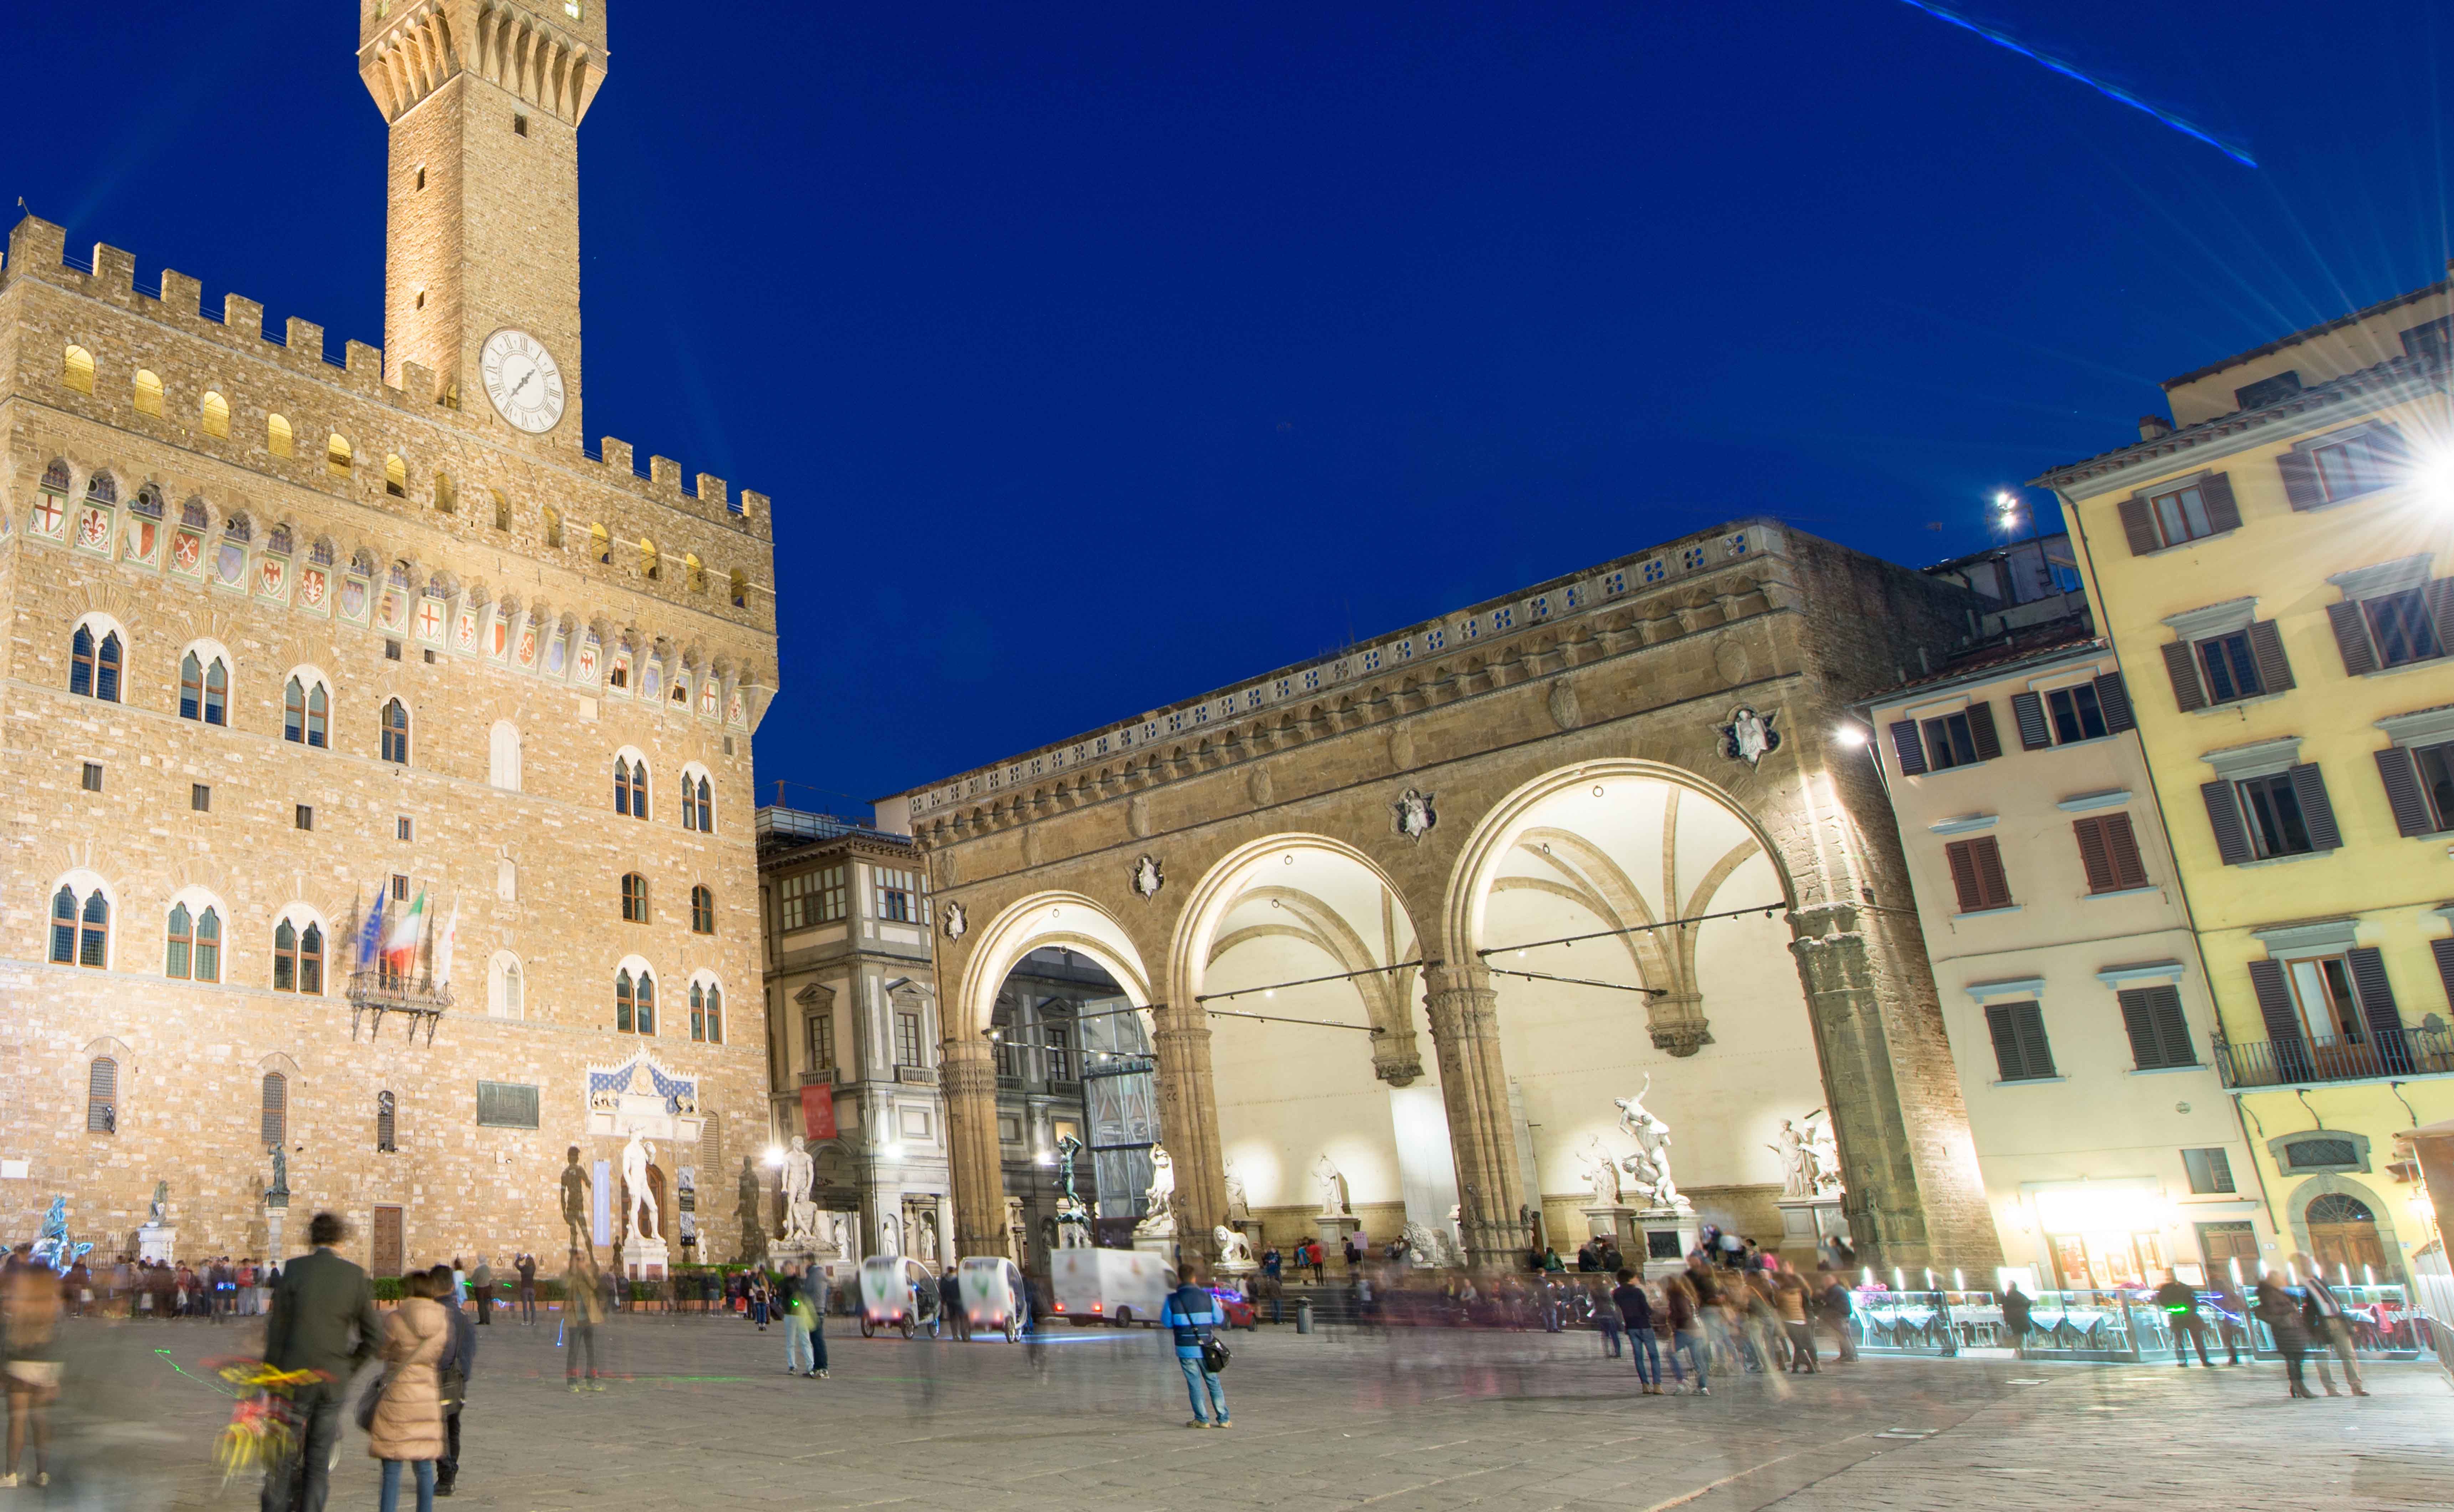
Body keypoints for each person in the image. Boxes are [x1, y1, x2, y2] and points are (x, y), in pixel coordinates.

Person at [261, 1212, 382, 1512]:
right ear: (340, 1238)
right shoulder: (354, 1276)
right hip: (331, 1380)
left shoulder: (295, 1269)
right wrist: (347, 1368)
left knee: (283, 1457)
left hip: (292, 1380)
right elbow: (374, 1336)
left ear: (312, 1238)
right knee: (317, 1460)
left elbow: (277, 1331)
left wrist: (272, 1377)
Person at [368, 1267, 450, 1512]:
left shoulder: (396, 1319)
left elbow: (381, 1351)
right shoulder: (441, 1322)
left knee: (392, 1467)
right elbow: (439, 1353)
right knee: (424, 1466)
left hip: (398, 1397)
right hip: (426, 1396)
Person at [2, 1260, 63, 1490]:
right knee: (41, 1421)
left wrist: (4, 1368)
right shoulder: (52, 1304)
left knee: (17, 1421)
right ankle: (43, 1474)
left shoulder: (20, 1300)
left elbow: (8, 1336)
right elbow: (59, 1339)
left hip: (20, 1365)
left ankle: (11, 1475)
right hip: (46, 1366)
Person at [424, 1264, 475, 1499]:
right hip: (458, 1381)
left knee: (437, 1430)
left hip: (438, 1379)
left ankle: (446, 1476)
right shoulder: (463, 1316)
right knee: (453, 1428)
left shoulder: (433, 1314)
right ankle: (450, 1473)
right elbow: (470, 1349)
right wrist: (462, 1374)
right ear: (453, 1286)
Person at [1160, 1266, 1229, 1429]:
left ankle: (1202, 1419)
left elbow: (1168, 1322)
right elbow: (1219, 1319)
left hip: (1185, 1347)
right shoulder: (1207, 1297)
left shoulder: (1172, 1299)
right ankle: (1224, 1418)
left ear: (1179, 1280)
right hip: (1206, 1347)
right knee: (1213, 1381)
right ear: (1193, 1279)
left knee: (1194, 1383)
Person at [2293, 1257, 2367, 1397]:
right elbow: (2304, 1307)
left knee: (2349, 1354)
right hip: (2320, 1324)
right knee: (2323, 1357)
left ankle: (2356, 1386)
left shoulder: (2319, 1281)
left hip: (2338, 1320)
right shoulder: (2300, 1285)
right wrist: (2311, 1328)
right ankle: (2331, 1389)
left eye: (2310, 1264)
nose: (2309, 1267)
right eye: (2305, 1264)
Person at [2254, 1270, 2318, 1399]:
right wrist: (2291, 1308)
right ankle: (2298, 1386)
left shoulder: (2276, 1292)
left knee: (2297, 1358)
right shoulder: (2270, 1293)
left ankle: (2298, 1386)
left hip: (2292, 1329)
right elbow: (2274, 1310)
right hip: (2285, 1330)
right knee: (2294, 1359)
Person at [1611, 1270, 1660, 1393]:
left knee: (1638, 1357)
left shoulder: (1617, 1293)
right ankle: (1657, 1385)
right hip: (1644, 1325)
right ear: (1630, 1279)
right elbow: (1646, 1309)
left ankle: (1645, 1385)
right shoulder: (1637, 1291)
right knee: (1654, 1356)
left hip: (1631, 1326)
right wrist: (1654, 1311)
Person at [2154, 1271, 2213, 1368]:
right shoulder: (2184, 1288)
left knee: (2180, 1339)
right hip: (2189, 1315)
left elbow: (2161, 1300)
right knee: (2196, 1339)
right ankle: (2204, 1360)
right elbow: (2194, 1299)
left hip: (2178, 1316)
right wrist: (2191, 1309)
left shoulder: (2166, 1289)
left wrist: (2170, 1307)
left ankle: (2183, 1361)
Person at [1661, 1273, 1707, 1395]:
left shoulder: (1678, 1296)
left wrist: (1671, 1315)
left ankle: (1682, 1381)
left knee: (1670, 1353)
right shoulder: (1688, 1294)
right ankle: (1702, 1387)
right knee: (1698, 1359)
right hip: (1696, 1330)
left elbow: (1685, 1314)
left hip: (1686, 1330)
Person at [566, 1256, 605, 1391]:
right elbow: (566, 1285)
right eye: (579, 1260)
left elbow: (595, 1285)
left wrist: (586, 1272)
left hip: (589, 1319)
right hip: (575, 1321)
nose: (581, 1263)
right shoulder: (572, 1277)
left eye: (583, 1260)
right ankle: (572, 1381)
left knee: (592, 1352)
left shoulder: (588, 1276)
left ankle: (592, 1380)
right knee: (574, 1352)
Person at [1773, 1270, 1819, 1373]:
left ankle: (1810, 1366)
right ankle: (1795, 1367)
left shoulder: (1782, 1294)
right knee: (1799, 1344)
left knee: (1798, 1345)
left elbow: (1777, 1305)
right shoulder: (1798, 1293)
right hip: (1801, 1320)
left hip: (1789, 1321)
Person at [1815, 1265, 1858, 1363]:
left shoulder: (1835, 1290)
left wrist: (1821, 1295)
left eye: (1826, 1281)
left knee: (1844, 1336)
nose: (1824, 1283)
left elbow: (1829, 1301)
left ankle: (1851, 1356)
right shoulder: (1838, 1289)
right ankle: (1847, 1355)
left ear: (1830, 1281)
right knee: (1844, 1336)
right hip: (1844, 1315)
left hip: (1839, 1316)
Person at [1593, 1278, 1623, 1358]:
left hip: (1603, 1315)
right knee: (1613, 1334)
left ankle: (1609, 1352)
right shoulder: (1609, 1291)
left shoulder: (1596, 1292)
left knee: (1606, 1334)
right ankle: (1617, 1352)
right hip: (1609, 1314)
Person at [1999, 1281, 2034, 1350]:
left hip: (2014, 1318)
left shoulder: (2008, 1297)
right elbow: (2029, 1302)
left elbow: (2006, 1309)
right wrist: (2025, 1310)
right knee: (2024, 1332)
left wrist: (2006, 1320)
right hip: (2023, 1317)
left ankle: (2020, 1348)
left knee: (2017, 1333)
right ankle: (2027, 1346)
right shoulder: (2020, 1295)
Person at [938, 1266, 967, 1342]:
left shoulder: (945, 1281)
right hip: (959, 1301)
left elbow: (942, 1291)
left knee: (953, 1319)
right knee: (962, 1318)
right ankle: (964, 1335)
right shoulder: (958, 1280)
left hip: (950, 1302)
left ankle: (955, 1335)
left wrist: (943, 1300)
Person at [469, 1257, 493, 1328]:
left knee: (481, 1305)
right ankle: (488, 1320)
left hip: (480, 1289)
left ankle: (483, 1321)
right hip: (488, 1288)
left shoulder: (478, 1269)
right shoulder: (488, 1269)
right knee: (486, 1304)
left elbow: (473, 1279)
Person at [515, 1255, 538, 1326]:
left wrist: (519, 1259)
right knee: (533, 1306)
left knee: (525, 1305)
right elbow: (534, 1265)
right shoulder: (533, 1269)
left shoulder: (524, 1268)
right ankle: (534, 1322)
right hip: (532, 1288)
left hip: (525, 1288)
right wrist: (530, 1257)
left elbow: (516, 1265)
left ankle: (526, 1321)